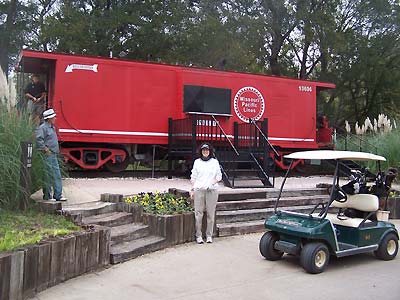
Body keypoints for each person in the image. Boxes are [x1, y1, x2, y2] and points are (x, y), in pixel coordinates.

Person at [190, 143, 222, 244]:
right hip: (199, 189)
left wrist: (213, 182)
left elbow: (219, 176)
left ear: (210, 151)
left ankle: (209, 235)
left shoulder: (214, 162)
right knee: (198, 213)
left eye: (207, 150)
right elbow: (193, 177)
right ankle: (198, 236)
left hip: (212, 190)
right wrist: (192, 189)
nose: (205, 152)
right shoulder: (197, 162)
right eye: (203, 150)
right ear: (201, 151)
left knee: (210, 213)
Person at [36, 108, 67, 201]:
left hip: (53, 154)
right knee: (48, 174)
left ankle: (58, 195)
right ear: (49, 118)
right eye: (53, 117)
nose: (55, 118)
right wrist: (45, 149)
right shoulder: (43, 128)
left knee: (56, 174)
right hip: (47, 154)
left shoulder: (51, 127)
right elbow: (39, 139)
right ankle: (47, 195)